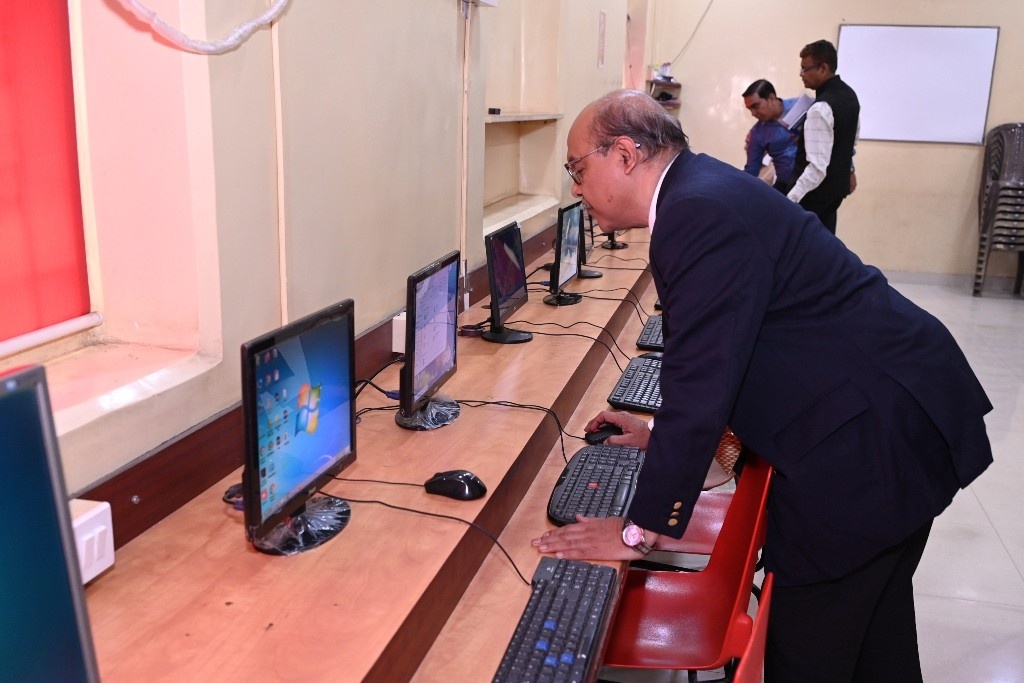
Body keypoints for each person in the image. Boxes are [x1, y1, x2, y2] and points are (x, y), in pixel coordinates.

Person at [534, 89, 992, 682]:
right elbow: (736, 354)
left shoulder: (695, 211)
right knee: (876, 640)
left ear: (623, 154)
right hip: (886, 416)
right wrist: (661, 438)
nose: (575, 188)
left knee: (812, 653)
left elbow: (701, 379)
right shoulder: (699, 190)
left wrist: (638, 530)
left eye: (576, 169)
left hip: (870, 445)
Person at [787, 39, 860, 234]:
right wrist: (849, 170)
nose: (801, 74)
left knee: (805, 247)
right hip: (835, 192)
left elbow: (817, 168)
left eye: (805, 68)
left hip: (813, 197)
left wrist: (791, 199)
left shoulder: (821, 107)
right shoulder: (850, 95)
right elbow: (851, 141)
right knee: (825, 243)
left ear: (823, 68)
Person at [741, 79, 800, 193]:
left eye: (756, 106)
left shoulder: (800, 106)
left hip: (819, 180)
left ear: (772, 98)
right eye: (749, 109)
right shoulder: (757, 133)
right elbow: (751, 171)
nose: (753, 113)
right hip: (788, 186)